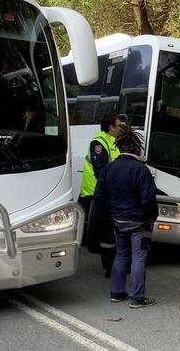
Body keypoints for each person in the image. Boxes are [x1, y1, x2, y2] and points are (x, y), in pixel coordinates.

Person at [95, 125, 157, 308]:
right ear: (136, 148)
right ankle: (137, 298)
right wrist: (151, 217)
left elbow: (99, 196)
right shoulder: (141, 170)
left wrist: (109, 216)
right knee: (138, 258)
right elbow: (148, 198)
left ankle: (117, 292)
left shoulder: (109, 168)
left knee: (121, 255)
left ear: (119, 147)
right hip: (139, 221)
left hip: (118, 220)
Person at [80, 114, 121, 276]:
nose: (120, 128)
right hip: (96, 192)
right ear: (110, 127)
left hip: (106, 192)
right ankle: (108, 265)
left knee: (107, 229)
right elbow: (101, 170)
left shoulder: (112, 143)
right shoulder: (99, 142)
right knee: (104, 229)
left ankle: (111, 263)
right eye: (118, 125)